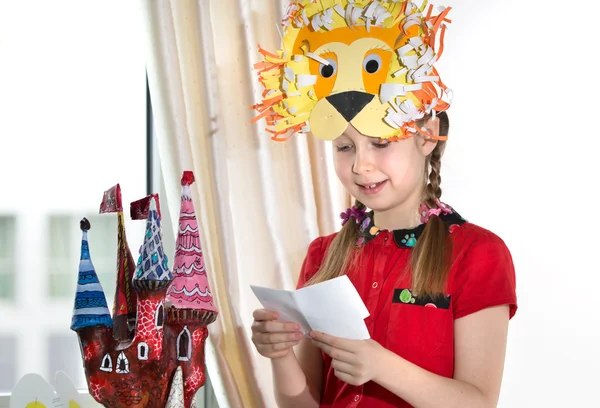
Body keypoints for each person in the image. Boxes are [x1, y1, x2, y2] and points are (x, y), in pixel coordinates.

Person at [250, 1, 517, 407]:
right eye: (344, 147)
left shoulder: (478, 254)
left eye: (379, 143)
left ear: (426, 137)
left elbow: (478, 402)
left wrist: (381, 365)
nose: (361, 165)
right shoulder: (323, 256)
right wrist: (280, 354)